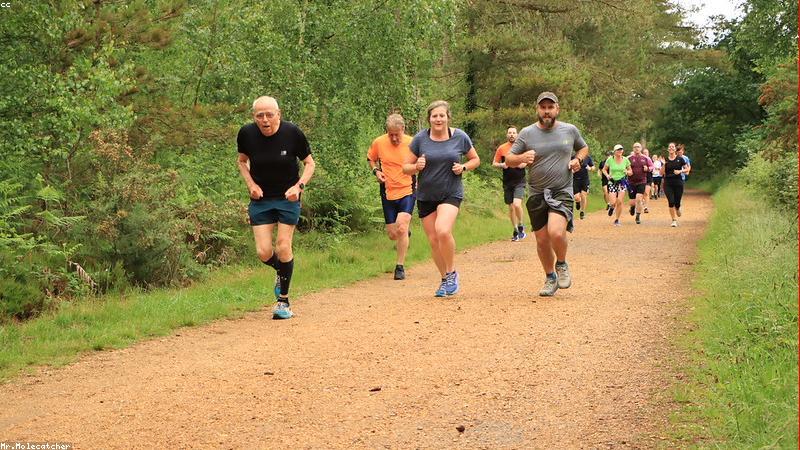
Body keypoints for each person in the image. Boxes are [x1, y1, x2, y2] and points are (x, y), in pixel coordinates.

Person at [237, 96, 316, 320]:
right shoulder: (246, 134)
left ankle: (283, 302)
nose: (265, 120)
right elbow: (242, 161)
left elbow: (310, 163)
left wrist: (298, 186)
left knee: (283, 246)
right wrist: (251, 185)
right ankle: (282, 272)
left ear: (278, 114)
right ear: (254, 117)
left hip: (286, 198)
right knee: (263, 252)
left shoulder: (293, 133)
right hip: (261, 199)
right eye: (259, 115)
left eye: (269, 114)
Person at [505, 91, 589, 297]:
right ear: (537, 110)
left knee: (556, 232)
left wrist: (578, 160)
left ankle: (561, 264)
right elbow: (509, 159)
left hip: (562, 190)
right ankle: (550, 277)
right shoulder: (526, 133)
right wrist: (522, 156)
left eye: (550, 107)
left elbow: (584, 148)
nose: (546, 111)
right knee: (542, 240)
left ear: (557, 109)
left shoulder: (570, 130)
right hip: (536, 192)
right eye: (543, 107)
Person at [403, 100, 480, 297]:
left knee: (442, 230)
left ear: (448, 117)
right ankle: (445, 279)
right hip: (426, 194)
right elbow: (405, 167)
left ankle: (452, 273)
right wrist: (416, 167)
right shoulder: (420, 139)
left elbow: (475, 159)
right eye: (434, 116)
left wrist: (463, 167)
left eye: (442, 115)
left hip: (450, 191)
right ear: (429, 119)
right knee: (433, 240)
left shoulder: (459, 137)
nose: (438, 119)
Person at [368, 113, 415, 280]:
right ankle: (404, 233)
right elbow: (371, 159)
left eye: (397, 134)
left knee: (401, 227)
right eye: (391, 134)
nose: (394, 138)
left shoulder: (412, 143)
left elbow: (422, 162)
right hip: (387, 191)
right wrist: (376, 171)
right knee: (392, 234)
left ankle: (400, 267)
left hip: (408, 189)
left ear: (403, 129)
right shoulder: (379, 142)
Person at [492, 126, 528, 240]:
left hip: (520, 180)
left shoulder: (522, 147)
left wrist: (522, 163)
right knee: (511, 207)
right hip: (507, 181)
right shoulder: (502, 148)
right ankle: (516, 230)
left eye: (513, 133)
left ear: (517, 135)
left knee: (517, 204)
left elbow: (527, 161)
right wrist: (502, 165)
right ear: (507, 135)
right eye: (510, 133)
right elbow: (494, 163)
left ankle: (521, 225)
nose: (512, 134)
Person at [601, 144, 632, 227]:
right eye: (618, 150)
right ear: (614, 151)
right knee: (613, 202)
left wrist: (627, 172)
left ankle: (617, 219)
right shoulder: (610, 160)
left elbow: (630, 172)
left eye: (621, 149)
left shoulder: (625, 160)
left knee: (620, 202)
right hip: (612, 182)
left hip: (622, 182)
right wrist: (607, 175)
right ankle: (611, 207)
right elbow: (604, 169)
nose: (620, 151)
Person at [661, 142, 689, 227]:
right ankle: (673, 220)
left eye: (673, 147)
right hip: (668, 182)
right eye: (669, 147)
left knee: (677, 202)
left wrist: (680, 171)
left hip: (678, 182)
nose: (671, 148)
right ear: (668, 149)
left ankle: (677, 207)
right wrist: (664, 164)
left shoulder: (680, 159)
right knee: (671, 201)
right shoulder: (665, 159)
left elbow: (687, 169)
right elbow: (661, 173)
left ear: (675, 149)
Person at [626, 143, 653, 225]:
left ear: (641, 148)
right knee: (632, 201)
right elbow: (623, 166)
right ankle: (632, 207)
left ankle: (638, 216)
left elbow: (652, 167)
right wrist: (626, 171)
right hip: (631, 182)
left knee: (639, 198)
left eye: (638, 147)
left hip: (642, 181)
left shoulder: (646, 158)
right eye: (635, 147)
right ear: (633, 148)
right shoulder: (628, 158)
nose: (636, 148)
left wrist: (647, 168)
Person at [572, 152, 595, 220]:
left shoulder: (587, 157)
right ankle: (578, 202)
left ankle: (582, 212)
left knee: (583, 195)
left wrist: (590, 168)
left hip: (585, 180)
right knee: (577, 197)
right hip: (575, 179)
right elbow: (568, 166)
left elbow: (593, 167)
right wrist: (572, 170)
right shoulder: (573, 157)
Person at [641, 148, 654, 212]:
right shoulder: (640, 160)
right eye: (644, 153)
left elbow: (652, 167)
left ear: (648, 154)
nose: (645, 154)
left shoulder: (649, 160)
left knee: (646, 192)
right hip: (640, 178)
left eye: (647, 153)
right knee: (641, 193)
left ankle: (645, 207)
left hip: (648, 178)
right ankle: (642, 201)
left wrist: (648, 168)